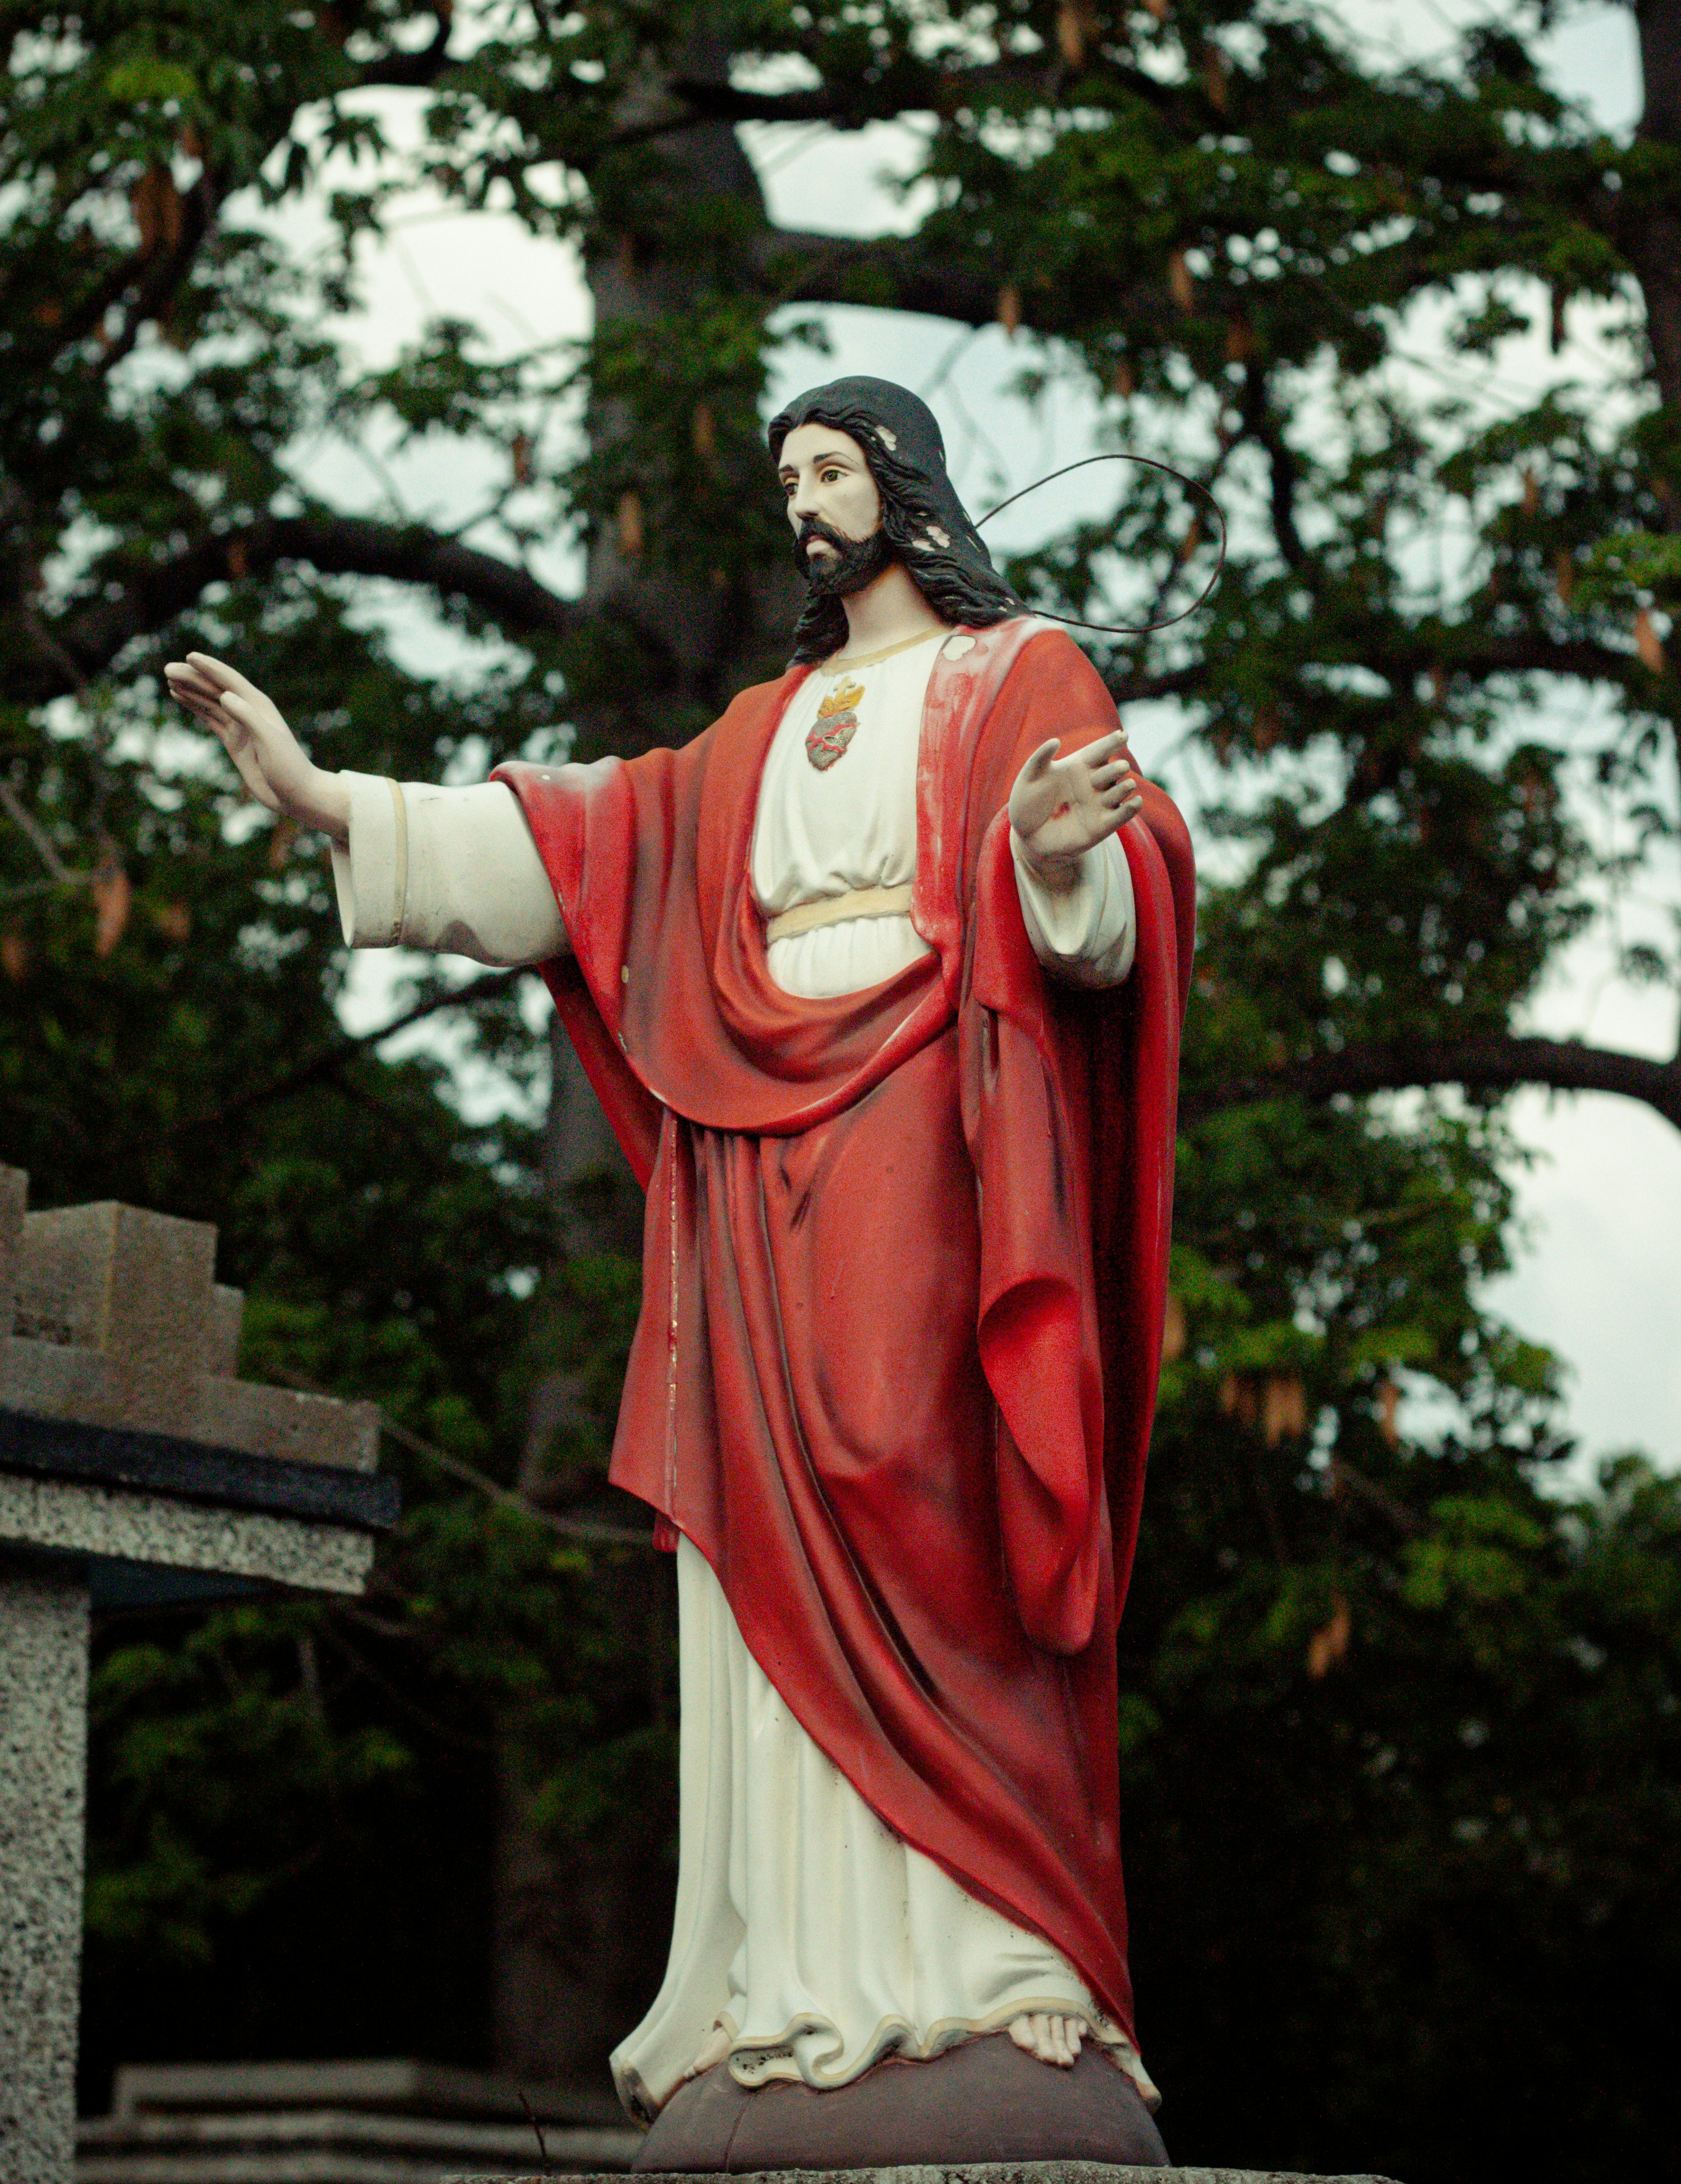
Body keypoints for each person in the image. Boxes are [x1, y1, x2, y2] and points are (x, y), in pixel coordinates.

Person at [166, 377, 1193, 2168]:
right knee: (761, 1549)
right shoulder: (754, 728)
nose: (801, 501)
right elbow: (584, 845)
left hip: (933, 1131)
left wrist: (1055, 862)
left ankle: (992, 1959)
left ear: (903, 486)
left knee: (918, 1480)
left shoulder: (1012, 672)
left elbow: (1118, 892)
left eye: (830, 469)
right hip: (754, 1172)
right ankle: (791, 1988)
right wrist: (333, 798)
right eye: (784, 475)